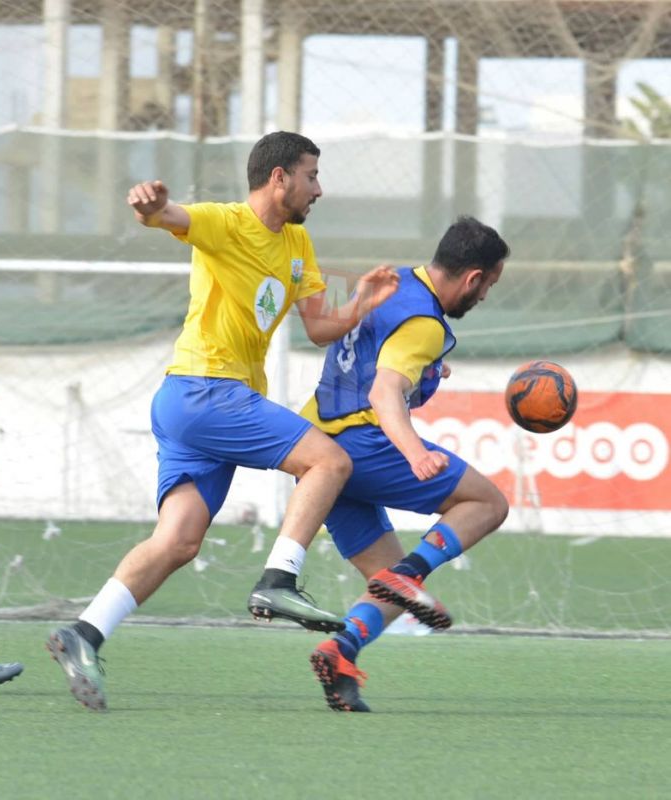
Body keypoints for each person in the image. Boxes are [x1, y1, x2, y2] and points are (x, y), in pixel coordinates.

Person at [46, 131, 399, 712]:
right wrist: (150, 205)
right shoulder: (226, 222)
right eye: (311, 175)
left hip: (193, 404)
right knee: (330, 462)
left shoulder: (297, 243)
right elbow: (167, 216)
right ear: (279, 177)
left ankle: (84, 633)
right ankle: (279, 580)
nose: (319, 189)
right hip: (206, 389)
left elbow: (318, 327)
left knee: (179, 541)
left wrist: (361, 300)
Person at [302, 216, 510, 711]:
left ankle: (341, 651)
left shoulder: (391, 281)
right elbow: (384, 391)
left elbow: (368, 352)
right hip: (360, 444)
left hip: (316, 452)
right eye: (488, 285)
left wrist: (429, 367)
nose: (484, 297)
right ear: (473, 277)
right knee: (488, 504)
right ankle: (411, 571)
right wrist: (416, 452)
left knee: (391, 587)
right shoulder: (425, 323)